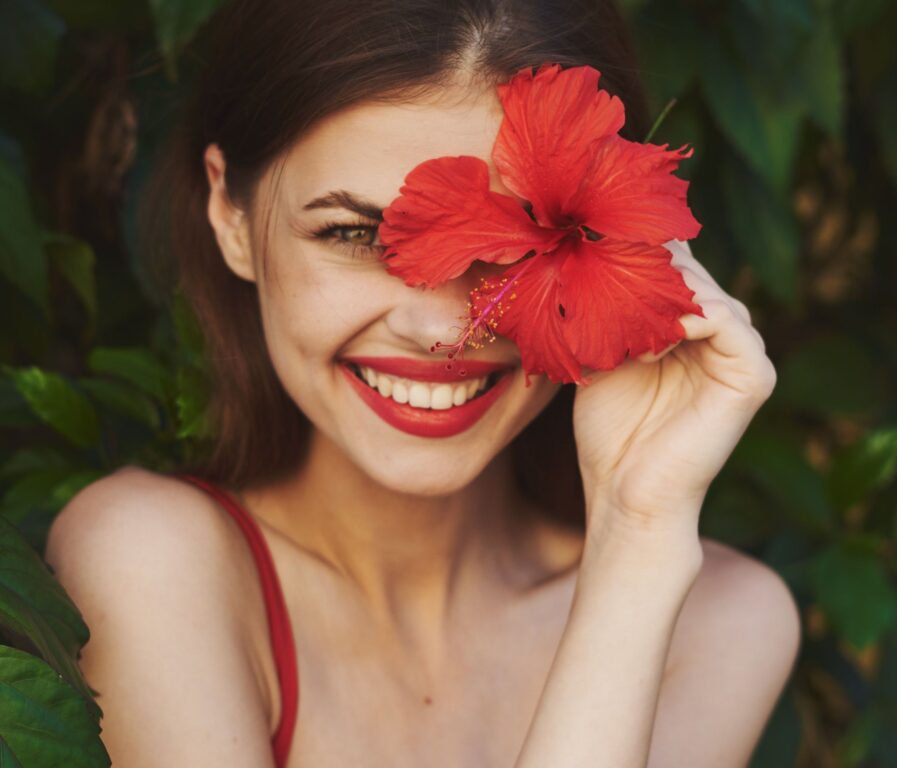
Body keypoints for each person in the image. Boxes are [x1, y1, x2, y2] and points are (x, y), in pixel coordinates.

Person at [44, 0, 801, 765]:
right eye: (354, 234)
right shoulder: (148, 561)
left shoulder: (721, 625)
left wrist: (637, 535)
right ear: (231, 216)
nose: (443, 332)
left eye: (509, 244)